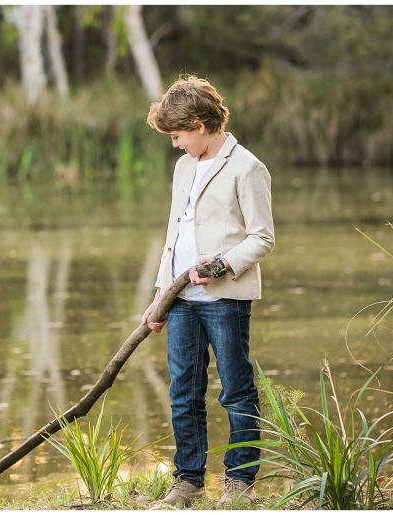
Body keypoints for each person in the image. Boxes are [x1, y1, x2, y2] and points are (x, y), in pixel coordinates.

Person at [140, 75, 275, 507]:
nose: (175, 145)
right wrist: (161, 296)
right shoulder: (184, 168)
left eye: (178, 136)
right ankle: (188, 480)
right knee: (183, 393)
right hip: (180, 301)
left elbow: (262, 238)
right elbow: (174, 237)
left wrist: (219, 266)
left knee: (236, 391)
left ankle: (240, 482)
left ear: (200, 126)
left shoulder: (248, 168)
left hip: (224, 300)